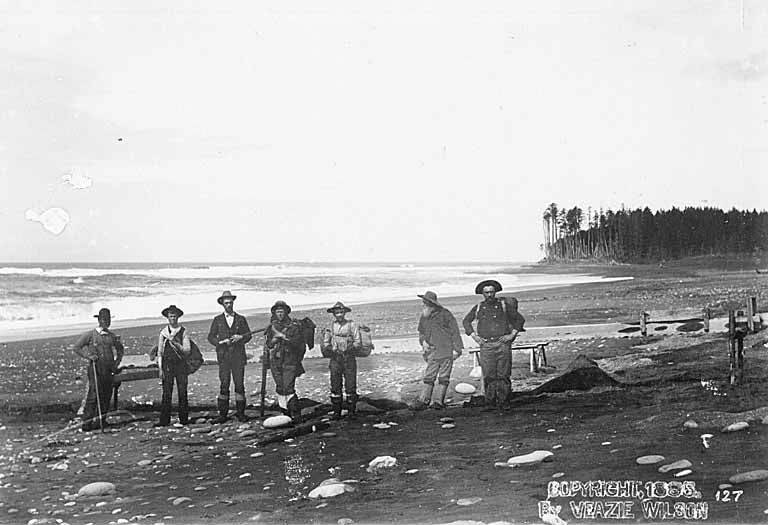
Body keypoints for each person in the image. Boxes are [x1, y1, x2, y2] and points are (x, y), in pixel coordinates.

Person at [462, 280, 525, 409]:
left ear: (495, 292)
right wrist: (474, 336)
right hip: (486, 345)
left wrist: (512, 335)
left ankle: (504, 402)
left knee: (503, 374)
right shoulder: (479, 307)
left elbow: (520, 319)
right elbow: (466, 322)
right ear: (482, 294)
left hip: (502, 344)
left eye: (491, 292)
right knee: (489, 375)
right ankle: (490, 402)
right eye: (486, 292)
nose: (489, 295)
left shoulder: (504, 305)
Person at [70, 308, 124, 431]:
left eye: (108, 320)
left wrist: (116, 362)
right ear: (99, 320)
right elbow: (77, 347)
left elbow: (120, 349)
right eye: (104, 319)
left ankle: (101, 421)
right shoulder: (90, 335)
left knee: (106, 395)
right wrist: (88, 356)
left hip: (109, 368)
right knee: (93, 395)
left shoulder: (111, 336)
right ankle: (87, 423)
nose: (106, 322)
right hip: (95, 367)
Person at [207, 291, 252, 423]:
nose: (229, 305)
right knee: (224, 384)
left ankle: (241, 414)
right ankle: (223, 415)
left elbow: (248, 335)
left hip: (238, 357)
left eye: (230, 302)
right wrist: (219, 343)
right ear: (222, 304)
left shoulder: (241, 319)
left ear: (233, 303)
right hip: (223, 357)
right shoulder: (217, 320)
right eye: (226, 303)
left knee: (239, 385)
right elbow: (210, 337)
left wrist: (241, 337)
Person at [413, 291, 464, 410]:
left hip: (446, 350)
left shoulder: (445, 314)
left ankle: (438, 402)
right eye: (423, 302)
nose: (423, 305)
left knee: (444, 377)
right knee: (429, 377)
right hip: (431, 351)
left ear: (432, 303)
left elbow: (455, 332)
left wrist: (457, 349)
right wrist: (423, 342)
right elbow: (421, 332)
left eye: (425, 302)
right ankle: (423, 401)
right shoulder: (424, 316)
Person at [149, 305, 191, 427]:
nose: (172, 318)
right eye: (170, 316)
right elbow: (160, 352)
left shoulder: (183, 331)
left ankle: (184, 419)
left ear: (178, 317)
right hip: (167, 365)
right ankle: (164, 420)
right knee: (166, 393)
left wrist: (176, 344)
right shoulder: (163, 333)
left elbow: (187, 350)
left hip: (181, 365)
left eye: (174, 316)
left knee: (182, 392)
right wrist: (160, 368)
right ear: (167, 318)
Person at [320, 301, 362, 419]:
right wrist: (332, 350)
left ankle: (351, 411)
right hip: (335, 359)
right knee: (335, 384)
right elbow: (326, 342)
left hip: (349, 358)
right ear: (333, 314)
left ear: (344, 313)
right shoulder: (330, 326)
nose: (339, 314)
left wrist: (349, 348)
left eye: (341, 312)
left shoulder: (352, 325)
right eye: (337, 312)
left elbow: (358, 341)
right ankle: (336, 412)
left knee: (351, 384)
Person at [264, 301, 305, 422]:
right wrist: (274, 340)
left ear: (286, 312)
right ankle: (285, 414)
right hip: (275, 361)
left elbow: (298, 343)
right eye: (277, 311)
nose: (280, 314)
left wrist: (283, 337)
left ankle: (296, 414)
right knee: (280, 387)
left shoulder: (294, 327)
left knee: (289, 387)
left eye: (282, 311)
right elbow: (269, 345)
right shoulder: (272, 327)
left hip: (290, 360)